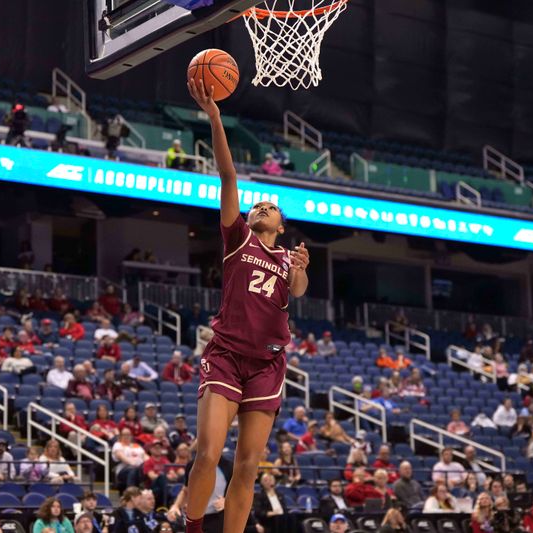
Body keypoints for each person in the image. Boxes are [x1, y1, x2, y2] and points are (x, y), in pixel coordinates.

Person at [182, 79, 310, 533]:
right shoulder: (238, 239)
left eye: (270, 206)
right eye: (258, 204)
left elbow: (296, 292)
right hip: (227, 356)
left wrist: (299, 269)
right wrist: (215, 117)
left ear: (281, 224)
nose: (261, 206)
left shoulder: (287, 258)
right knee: (208, 454)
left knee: (248, 466)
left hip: (267, 365)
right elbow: (229, 176)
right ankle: (194, 526)